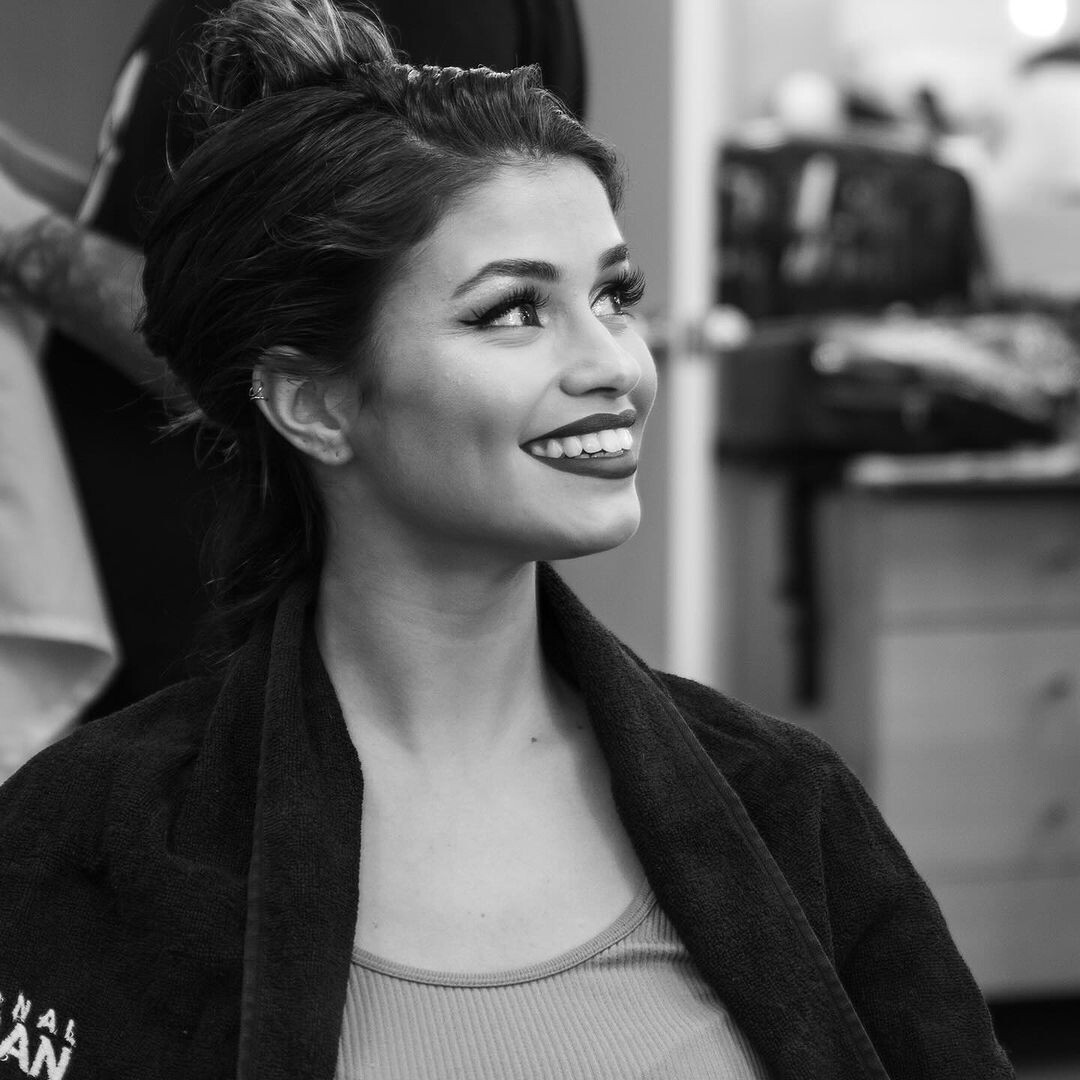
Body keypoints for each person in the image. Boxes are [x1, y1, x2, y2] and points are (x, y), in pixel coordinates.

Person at [0, 2, 1014, 1078]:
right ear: (314, 404)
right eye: (513, 312)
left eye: (614, 296)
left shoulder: (788, 808)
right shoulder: (84, 839)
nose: (615, 365)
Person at [0, 0, 587, 726]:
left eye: (616, 297)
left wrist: (16, 235)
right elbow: (199, 241)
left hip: (232, 619)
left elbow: (294, 331)